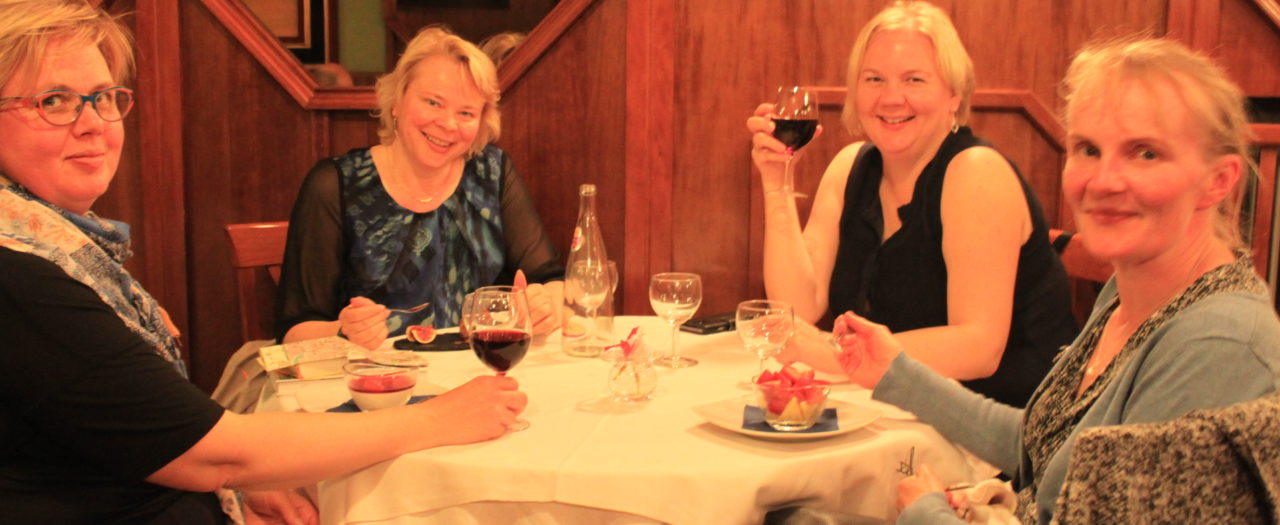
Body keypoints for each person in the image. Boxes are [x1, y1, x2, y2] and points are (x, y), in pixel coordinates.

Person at [0, 2, 527, 523]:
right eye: (53, 101)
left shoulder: (62, 245)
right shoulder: (20, 274)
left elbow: (138, 442)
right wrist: (436, 419)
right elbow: (216, 449)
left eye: (104, 98)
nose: (93, 123)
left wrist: (238, 489)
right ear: (397, 102)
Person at [833, 37, 1280, 524]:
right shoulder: (1129, 293)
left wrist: (925, 512)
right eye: (1088, 149)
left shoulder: (1219, 346)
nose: (1103, 180)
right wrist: (895, 372)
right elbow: (1043, 445)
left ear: (1219, 180)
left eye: (1146, 153)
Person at [747, 0, 1076, 408]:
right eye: (874, 79)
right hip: (902, 410)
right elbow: (799, 306)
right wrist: (776, 182)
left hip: (1008, 423)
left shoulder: (976, 172)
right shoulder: (850, 167)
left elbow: (979, 347)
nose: (891, 98)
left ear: (954, 94)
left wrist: (835, 355)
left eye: (914, 80)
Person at [276, 26, 563, 351]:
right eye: (433, 102)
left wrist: (542, 306)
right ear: (396, 101)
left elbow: (549, 280)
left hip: (477, 369)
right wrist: (343, 331)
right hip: (374, 375)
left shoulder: (493, 174)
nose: (448, 124)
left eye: (466, 112)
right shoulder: (335, 184)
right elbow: (293, 332)